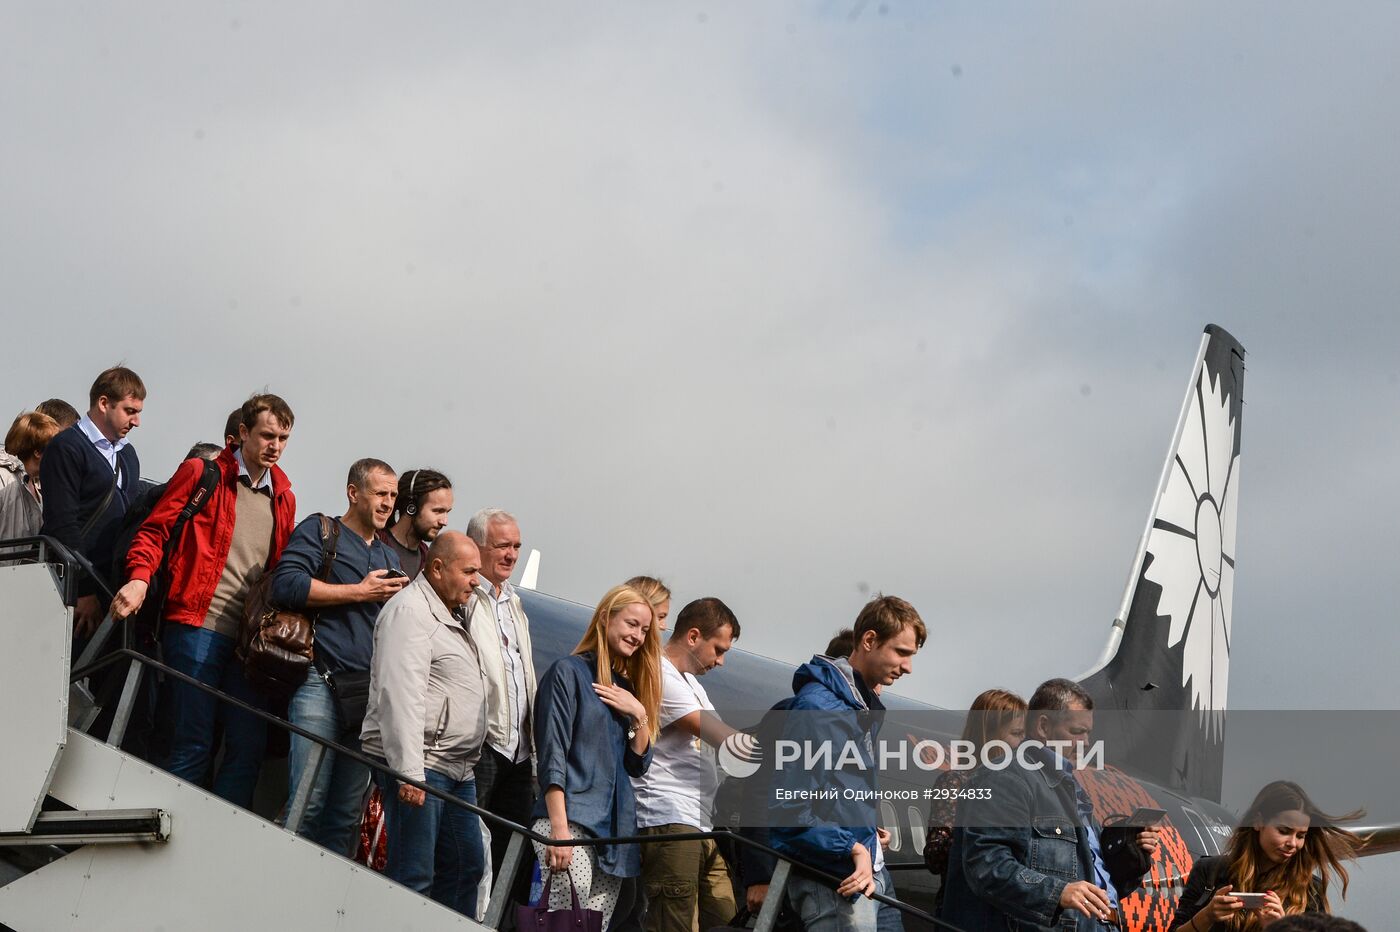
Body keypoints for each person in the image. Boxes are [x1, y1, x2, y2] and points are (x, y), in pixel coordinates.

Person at [110, 394, 297, 807]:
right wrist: (139, 578)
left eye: (283, 438)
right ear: (243, 432)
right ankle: (174, 831)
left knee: (247, 748)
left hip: (248, 643)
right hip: (195, 625)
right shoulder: (203, 473)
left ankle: (213, 838)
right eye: (267, 435)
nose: (275, 446)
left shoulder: (284, 496)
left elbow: (279, 571)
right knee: (191, 742)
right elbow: (154, 531)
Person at [944, 678, 1160, 932]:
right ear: (1044, 726)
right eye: (1077, 731)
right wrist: (1057, 892)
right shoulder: (1005, 776)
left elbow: (1093, 880)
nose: (1086, 742)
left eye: (1088, 732)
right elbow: (986, 865)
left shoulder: (1070, 788)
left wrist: (1129, 852)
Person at [271, 457, 409, 854]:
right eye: (380, 493)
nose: (388, 503)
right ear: (353, 493)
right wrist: (359, 592)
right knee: (307, 805)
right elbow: (287, 584)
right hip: (320, 682)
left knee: (345, 817)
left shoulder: (389, 558)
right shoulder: (320, 529)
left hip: (365, 698)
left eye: (393, 495)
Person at [771, 594, 927, 932]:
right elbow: (788, 809)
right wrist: (851, 846)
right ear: (869, 640)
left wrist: (866, 834)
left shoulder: (859, 708)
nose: (908, 667)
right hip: (836, 878)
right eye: (901, 653)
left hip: (870, 872)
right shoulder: (819, 709)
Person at [361, 531, 488, 916]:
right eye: (468, 571)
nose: (476, 581)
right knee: (413, 873)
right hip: (424, 766)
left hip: (458, 768)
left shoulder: (451, 613)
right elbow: (400, 694)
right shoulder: (410, 612)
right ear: (436, 569)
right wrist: (410, 773)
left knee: (467, 868)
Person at [532, 583, 661, 930]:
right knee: (562, 923)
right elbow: (552, 755)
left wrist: (639, 715)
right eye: (632, 624)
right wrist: (559, 829)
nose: (638, 636)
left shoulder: (626, 692)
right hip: (571, 821)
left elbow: (637, 764)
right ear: (605, 618)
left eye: (645, 630)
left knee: (594, 927)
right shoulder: (567, 672)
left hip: (615, 839)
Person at [634, 597, 741, 932]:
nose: (721, 661)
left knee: (726, 918)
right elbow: (722, 737)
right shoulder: (660, 674)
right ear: (693, 636)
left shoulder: (692, 684)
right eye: (718, 650)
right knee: (675, 921)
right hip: (671, 816)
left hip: (700, 822)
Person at [1170, 781, 1361, 931]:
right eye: (1284, 831)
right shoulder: (1210, 871)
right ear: (1258, 822)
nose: (1293, 843)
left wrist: (1281, 928)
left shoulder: (1309, 889)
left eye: (1301, 836)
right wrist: (1207, 916)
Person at [40, 366, 145, 636]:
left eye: (138, 412)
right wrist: (83, 590)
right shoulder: (66, 447)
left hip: (111, 589)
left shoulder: (128, 455)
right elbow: (62, 522)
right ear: (103, 403)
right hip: (73, 589)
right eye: (129, 411)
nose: (136, 421)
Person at [464, 507, 539, 875]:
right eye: (502, 546)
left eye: (517, 547)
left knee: (509, 853)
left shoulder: (515, 603)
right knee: (466, 846)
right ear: (477, 546)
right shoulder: (465, 596)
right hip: (482, 745)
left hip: (519, 751)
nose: (511, 555)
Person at [923, 688, 1026, 915]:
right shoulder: (957, 783)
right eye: (1017, 734)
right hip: (969, 911)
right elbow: (935, 856)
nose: (1023, 744)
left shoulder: (1026, 791)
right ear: (989, 735)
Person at [377, 468, 453, 579]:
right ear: (412, 508)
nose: (444, 522)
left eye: (447, 512)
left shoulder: (429, 560)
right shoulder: (374, 545)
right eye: (438, 511)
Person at [0, 412, 62, 541]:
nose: (61, 455)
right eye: (56, 449)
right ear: (37, 452)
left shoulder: (39, 484)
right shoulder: (3, 478)